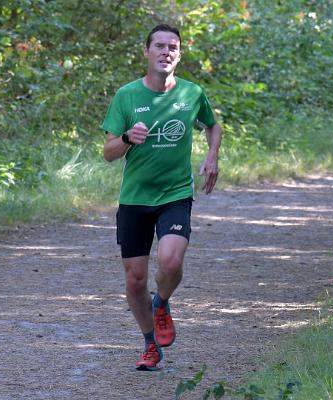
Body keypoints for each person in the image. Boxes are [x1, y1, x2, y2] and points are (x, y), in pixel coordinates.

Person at [101, 24, 222, 371]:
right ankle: (150, 344)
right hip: (135, 199)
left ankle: (162, 302)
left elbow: (212, 125)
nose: (166, 52)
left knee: (170, 263)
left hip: (175, 194)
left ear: (178, 55)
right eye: (159, 46)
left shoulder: (192, 93)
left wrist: (212, 154)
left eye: (172, 47)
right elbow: (108, 153)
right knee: (135, 279)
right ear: (147, 52)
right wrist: (127, 137)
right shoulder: (126, 96)